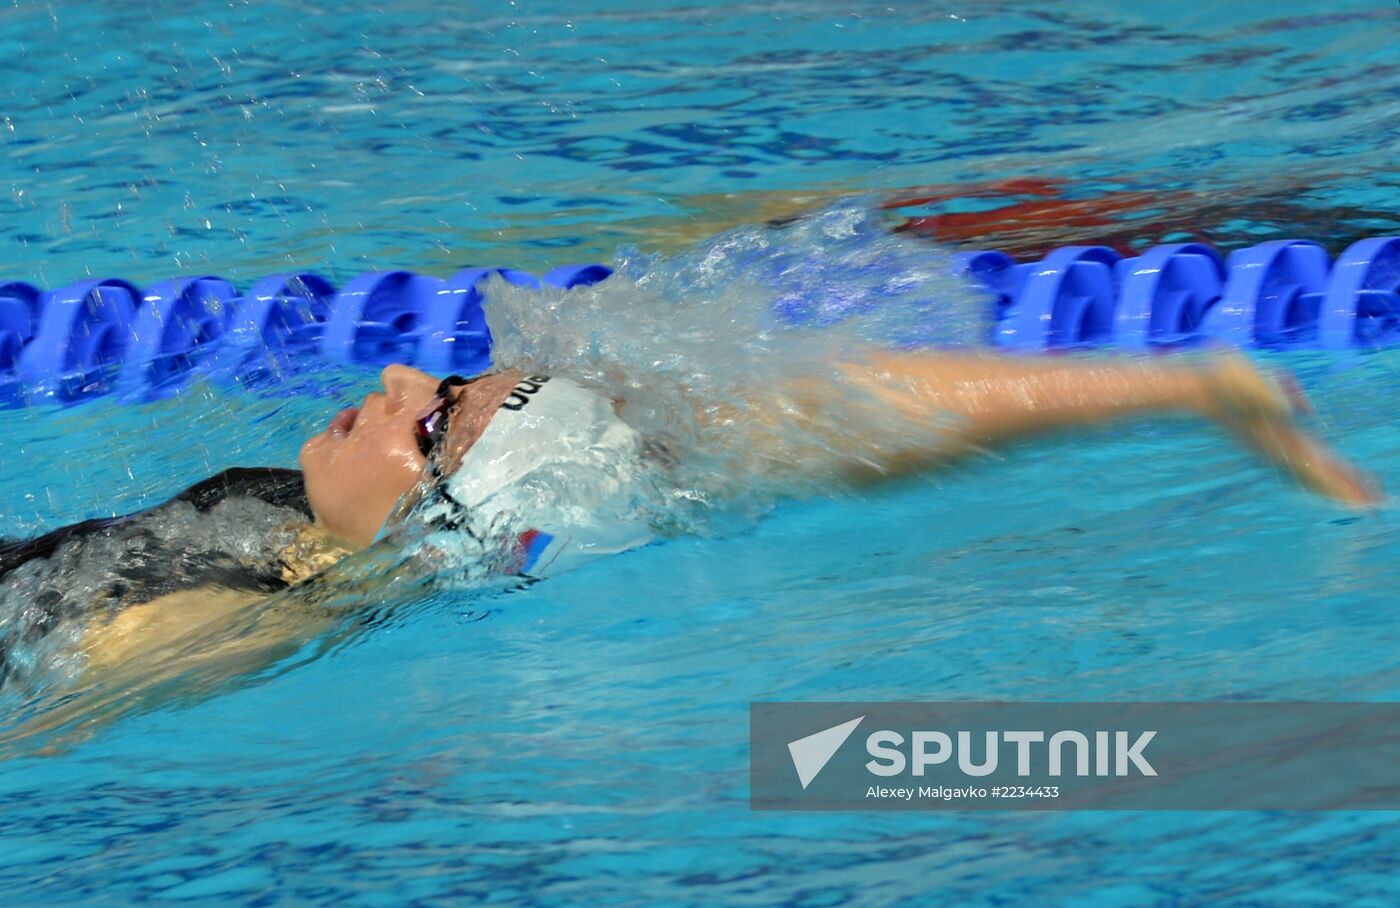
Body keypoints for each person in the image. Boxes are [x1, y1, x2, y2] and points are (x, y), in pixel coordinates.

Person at [0, 346, 1383, 694]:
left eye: (432, 421)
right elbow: (827, 422)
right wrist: (1172, 384)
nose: (398, 382)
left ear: (441, 520)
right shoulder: (303, 534)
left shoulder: (239, 618)